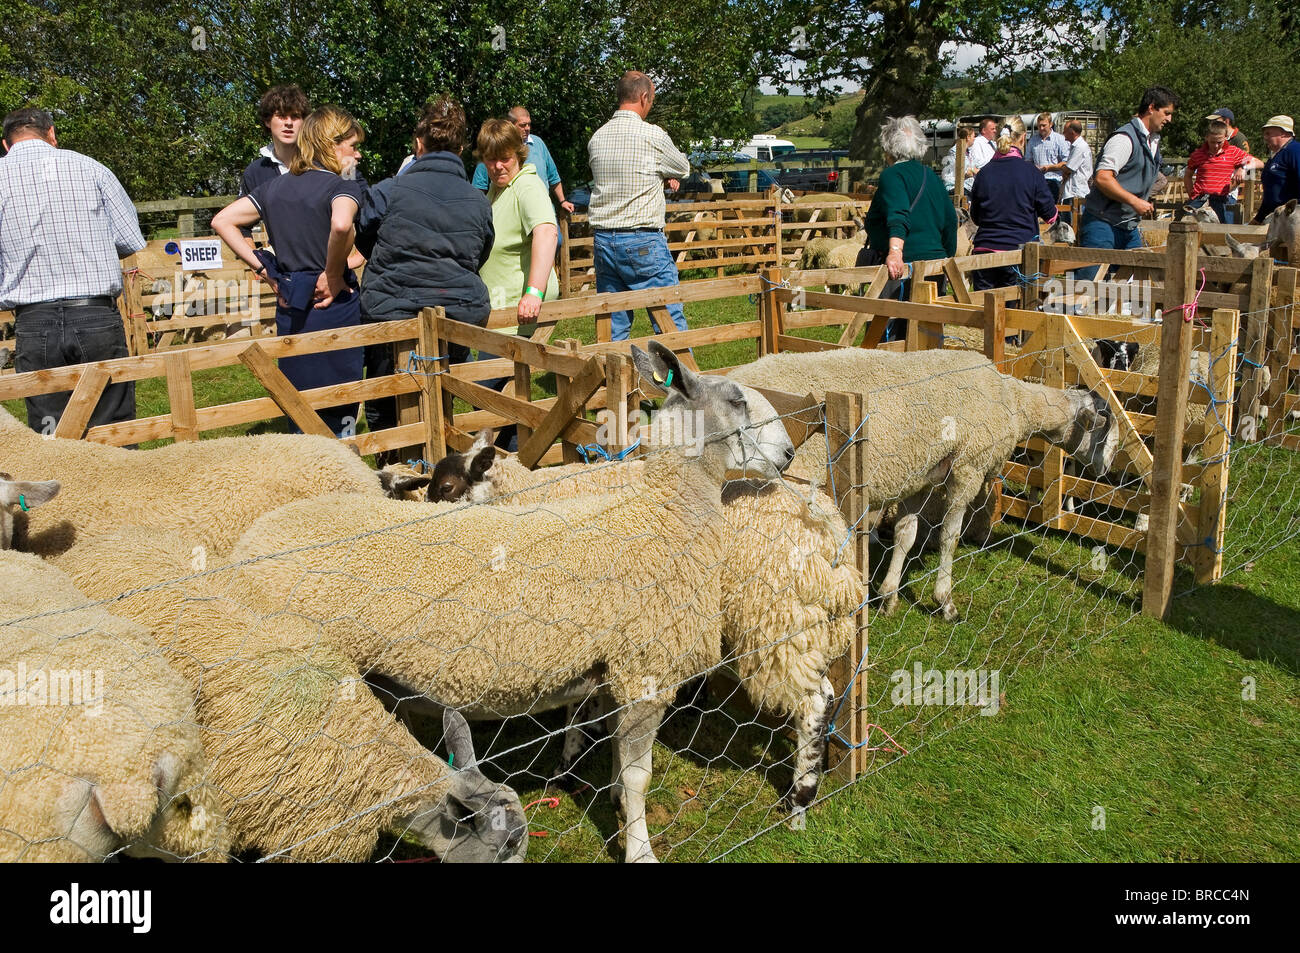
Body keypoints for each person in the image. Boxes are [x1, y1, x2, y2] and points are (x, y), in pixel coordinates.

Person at [212, 106, 367, 438]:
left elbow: (221, 221)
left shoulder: (273, 188)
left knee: (298, 400)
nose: (358, 155)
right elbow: (341, 224)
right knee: (341, 400)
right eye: (353, 146)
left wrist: (265, 271)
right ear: (332, 144)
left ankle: (303, 472)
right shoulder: (342, 186)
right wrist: (334, 272)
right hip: (334, 305)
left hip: (291, 302)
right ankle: (344, 472)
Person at [353, 97, 495, 441]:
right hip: (456, 313)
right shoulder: (478, 201)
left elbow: (363, 238)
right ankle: (438, 462)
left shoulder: (388, 192)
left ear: (418, 144)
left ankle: (394, 471)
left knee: (386, 401)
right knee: (440, 392)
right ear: (460, 148)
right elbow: (479, 253)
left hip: (392, 311)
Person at [0, 108, 145, 431]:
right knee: (111, 423)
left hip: (33, 320)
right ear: (51, 134)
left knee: (49, 426)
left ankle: (62, 481)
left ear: (6, 144)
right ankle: (119, 480)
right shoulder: (91, 168)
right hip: (94, 315)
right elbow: (129, 238)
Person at [586, 71, 691, 340]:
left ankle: (612, 380)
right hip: (642, 240)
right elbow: (682, 167)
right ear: (644, 97)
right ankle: (679, 380)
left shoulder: (597, 137)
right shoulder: (652, 136)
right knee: (668, 317)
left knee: (613, 322)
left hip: (603, 241)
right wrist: (664, 174)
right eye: (652, 99)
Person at [858, 116, 957, 341]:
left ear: (888, 148)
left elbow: (899, 214)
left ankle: (888, 376)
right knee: (927, 335)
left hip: (902, 270)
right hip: (934, 269)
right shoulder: (931, 177)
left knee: (890, 336)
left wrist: (895, 252)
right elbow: (951, 221)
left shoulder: (892, 176)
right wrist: (946, 259)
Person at [1078, 86, 1178, 277]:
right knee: (1090, 286)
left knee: (1135, 285)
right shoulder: (1124, 139)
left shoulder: (1152, 142)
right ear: (1151, 108)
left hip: (1128, 226)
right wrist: (1135, 201)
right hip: (1103, 223)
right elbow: (1102, 178)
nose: (1169, 119)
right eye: (1166, 113)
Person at [968, 115, 1058, 292]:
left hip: (984, 253)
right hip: (1019, 254)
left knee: (985, 313)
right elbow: (1050, 216)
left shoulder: (983, 174)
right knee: (1016, 315)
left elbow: (976, 217)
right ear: (1023, 138)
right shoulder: (1031, 173)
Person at [472, 107, 574, 213]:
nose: (527, 128)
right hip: (510, 214)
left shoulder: (538, 143)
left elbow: (553, 176)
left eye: (529, 124)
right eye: (522, 125)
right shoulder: (495, 148)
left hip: (545, 210)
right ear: (509, 124)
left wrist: (563, 201)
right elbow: (479, 187)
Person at [238, 85, 310, 197]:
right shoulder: (255, 172)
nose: (289, 123)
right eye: (281, 116)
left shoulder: (319, 164)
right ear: (267, 121)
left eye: (295, 116)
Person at [1184, 118, 1250, 224]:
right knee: (1185, 225)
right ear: (1206, 138)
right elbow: (1187, 175)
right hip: (1200, 198)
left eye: (1219, 142)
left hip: (1222, 198)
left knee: (1224, 230)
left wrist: (1242, 168)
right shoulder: (1198, 154)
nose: (1215, 145)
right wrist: (1192, 195)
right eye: (1212, 142)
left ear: (1225, 137)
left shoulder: (1232, 151)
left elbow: (1251, 159)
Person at [1238, 116, 1300, 224]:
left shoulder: (1295, 151)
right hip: (1277, 218)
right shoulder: (1275, 156)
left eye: (1268, 133)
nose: (1265, 137)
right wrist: (1259, 218)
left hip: (1291, 219)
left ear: (1283, 133)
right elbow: (1270, 195)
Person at [1026, 112, 1070, 203]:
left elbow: (1066, 162)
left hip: (1054, 181)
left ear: (1051, 124)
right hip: (1037, 181)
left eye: (1044, 125)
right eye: (1039, 126)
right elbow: (1028, 160)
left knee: (1054, 211)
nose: (1041, 128)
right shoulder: (1033, 140)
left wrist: (1048, 168)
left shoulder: (1059, 140)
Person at [1059, 119, 1094, 218]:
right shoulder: (1076, 146)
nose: (1063, 133)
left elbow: (1069, 168)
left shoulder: (1080, 147)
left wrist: (1062, 167)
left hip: (1076, 193)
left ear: (1072, 132)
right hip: (1073, 192)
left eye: (1065, 131)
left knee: (1073, 226)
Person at [942, 125, 976, 196]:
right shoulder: (955, 150)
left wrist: (973, 171)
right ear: (968, 137)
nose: (974, 138)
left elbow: (972, 169)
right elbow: (963, 172)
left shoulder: (969, 152)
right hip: (955, 188)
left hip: (967, 188)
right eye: (974, 136)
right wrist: (973, 171)